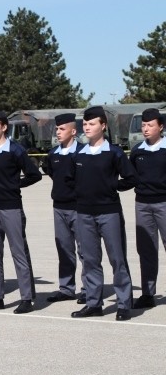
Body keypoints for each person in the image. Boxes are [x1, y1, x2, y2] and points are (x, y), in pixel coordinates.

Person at [70, 106, 138, 321]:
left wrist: (112, 186)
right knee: (90, 260)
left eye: (92, 124)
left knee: (117, 259)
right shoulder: (78, 153)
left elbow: (131, 178)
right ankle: (93, 303)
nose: (87, 127)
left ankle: (124, 303)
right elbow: (70, 179)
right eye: (85, 124)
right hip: (84, 214)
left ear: (103, 126)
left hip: (109, 213)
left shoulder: (114, 153)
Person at [0, 110, 43, 314]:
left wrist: (15, 185)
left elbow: (34, 175)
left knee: (18, 252)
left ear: (4, 127)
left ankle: (26, 298)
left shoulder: (16, 150)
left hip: (11, 207)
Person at [45, 113, 82, 303]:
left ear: (73, 131)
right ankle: (67, 288)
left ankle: (88, 289)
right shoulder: (53, 154)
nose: (58, 133)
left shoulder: (83, 152)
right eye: (56, 129)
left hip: (79, 207)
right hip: (59, 207)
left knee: (85, 250)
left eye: (62, 129)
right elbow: (50, 171)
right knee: (64, 249)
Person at [131, 108, 166, 310]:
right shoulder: (137, 151)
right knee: (146, 249)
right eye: (143, 125)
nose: (145, 129)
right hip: (142, 204)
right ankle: (147, 293)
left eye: (150, 125)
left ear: (160, 127)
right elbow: (131, 176)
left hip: (164, 203)